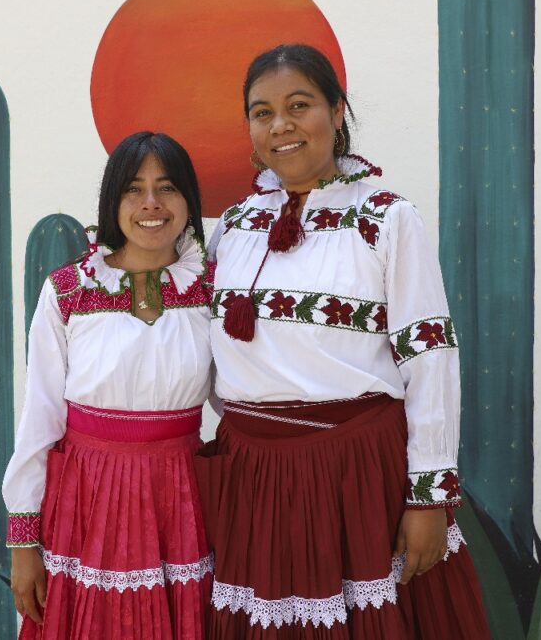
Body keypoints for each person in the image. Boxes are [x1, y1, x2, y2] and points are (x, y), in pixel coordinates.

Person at [197, 44, 490, 638]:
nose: (280, 125)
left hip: (356, 474)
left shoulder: (387, 219)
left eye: (298, 105)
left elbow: (429, 356)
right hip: (253, 475)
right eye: (262, 112)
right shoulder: (233, 226)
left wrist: (429, 497)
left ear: (336, 112)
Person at [3, 131, 214, 639]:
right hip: (86, 498)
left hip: (182, 497)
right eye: (132, 189)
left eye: (166, 188)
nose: (150, 204)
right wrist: (23, 542)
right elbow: (40, 418)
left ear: (189, 200)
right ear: (110, 200)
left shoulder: (212, 289)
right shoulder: (69, 291)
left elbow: (241, 396)